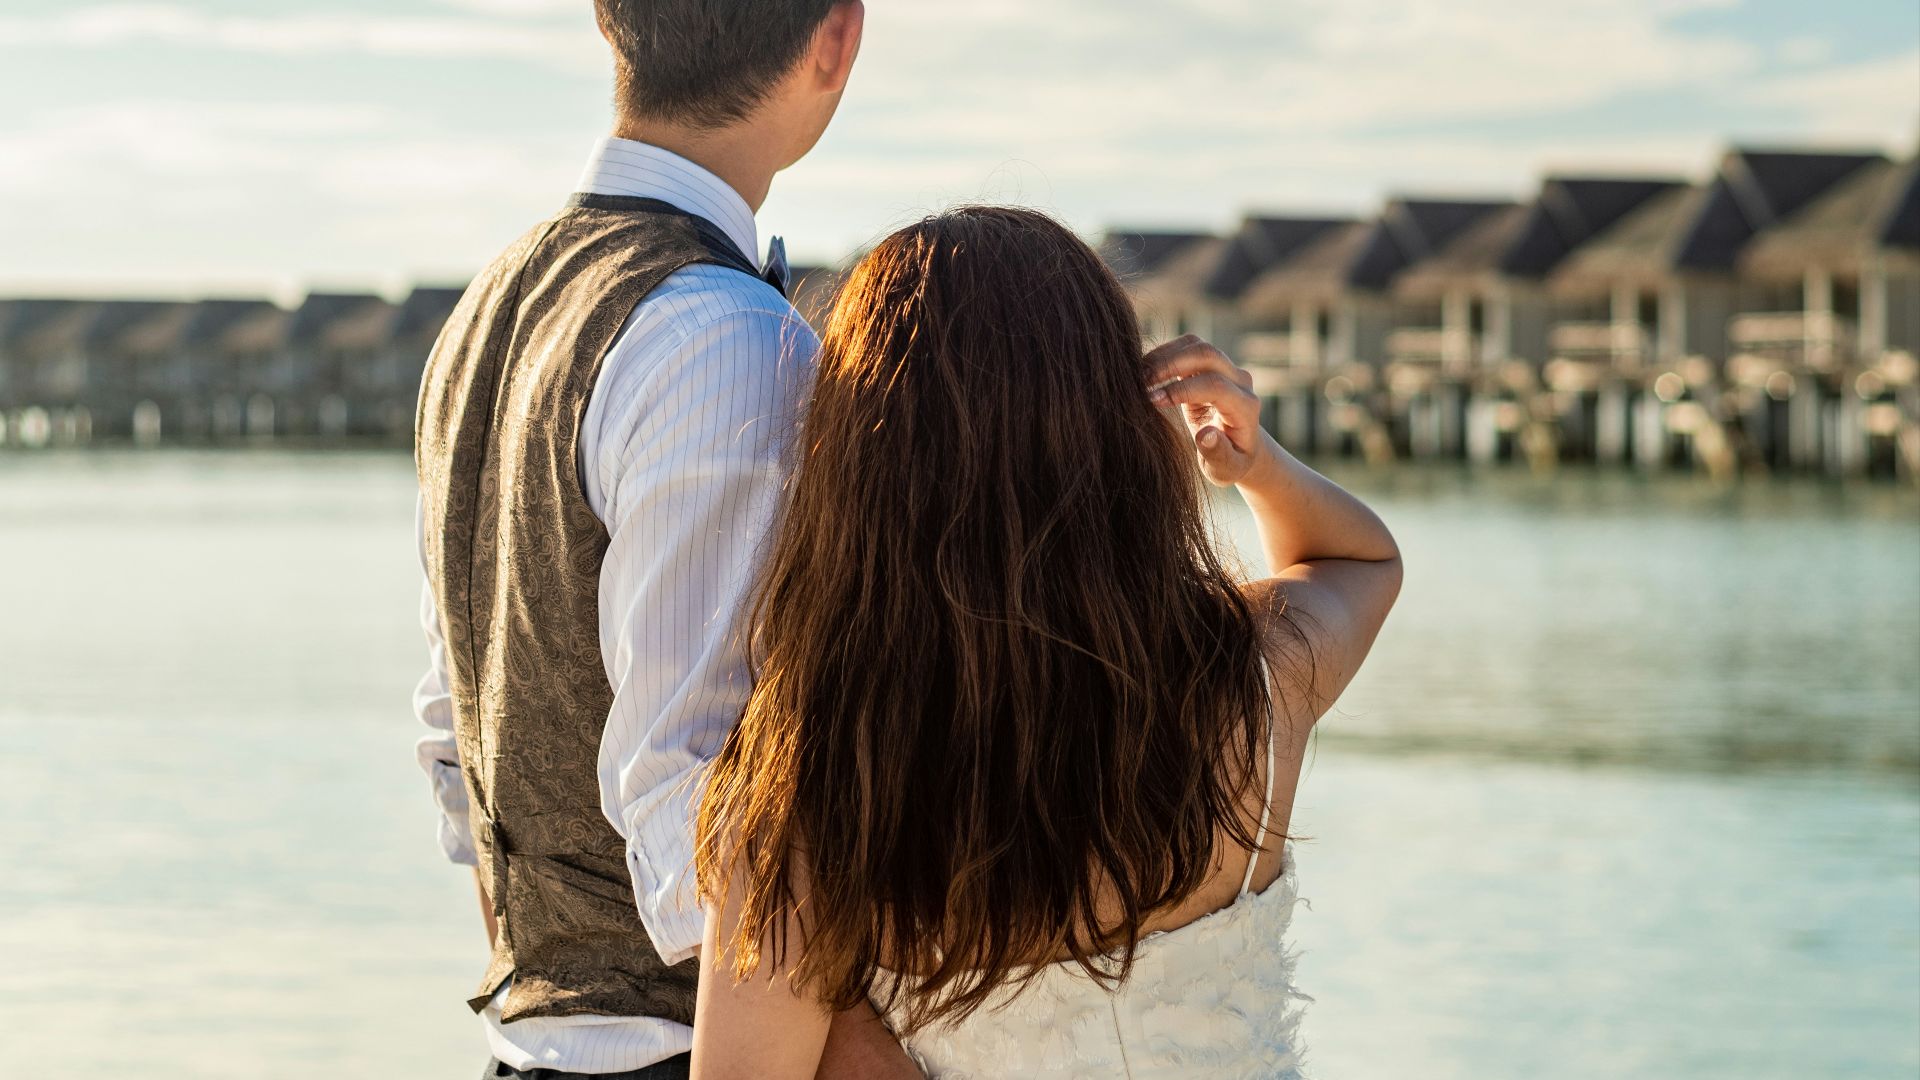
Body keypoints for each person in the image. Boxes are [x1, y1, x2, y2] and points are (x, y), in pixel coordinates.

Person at [690, 207, 1404, 1078]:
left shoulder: (812, 791)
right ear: (1118, 425)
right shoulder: (1251, 687)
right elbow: (1360, 561)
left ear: (858, 468)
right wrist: (1255, 463)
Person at [410, 2, 918, 1077]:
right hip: (696, 1050)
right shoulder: (732, 340)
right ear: (837, 40)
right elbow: (710, 814)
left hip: (536, 1042)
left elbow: (458, 729)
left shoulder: (485, 309)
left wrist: (555, 994)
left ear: (608, 22)